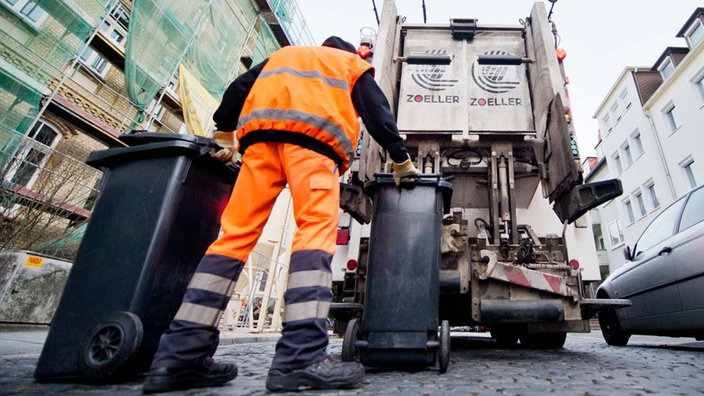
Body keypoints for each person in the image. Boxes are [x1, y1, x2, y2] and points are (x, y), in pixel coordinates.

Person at [142, 36, 420, 394]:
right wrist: (400, 158)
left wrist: (224, 131)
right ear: (351, 52)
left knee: (232, 238)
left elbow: (239, 87)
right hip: (314, 150)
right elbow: (377, 113)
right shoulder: (349, 65)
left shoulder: (283, 56)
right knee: (313, 238)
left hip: (259, 147)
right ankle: (299, 358)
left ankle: (178, 357)